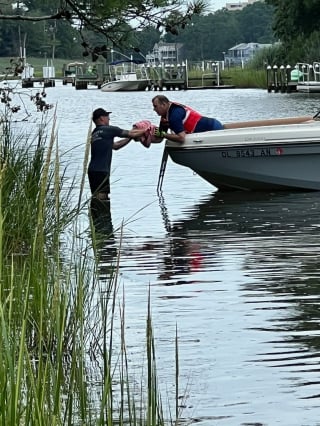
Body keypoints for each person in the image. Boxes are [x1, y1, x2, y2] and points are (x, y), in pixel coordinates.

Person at [88, 108, 146, 200]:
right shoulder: (108, 130)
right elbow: (132, 133)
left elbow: (116, 146)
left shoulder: (95, 133)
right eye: (107, 116)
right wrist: (147, 129)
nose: (109, 119)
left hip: (92, 170)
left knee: (96, 197)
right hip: (101, 170)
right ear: (101, 118)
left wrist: (130, 137)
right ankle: (103, 214)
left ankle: (96, 214)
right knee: (103, 198)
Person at [152, 95, 224, 143]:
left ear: (164, 105)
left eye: (155, 106)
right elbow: (159, 138)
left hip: (213, 128)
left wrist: (164, 134)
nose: (154, 109)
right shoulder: (164, 117)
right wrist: (147, 134)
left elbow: (181, 138)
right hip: (210, 126)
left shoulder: (174, 115)